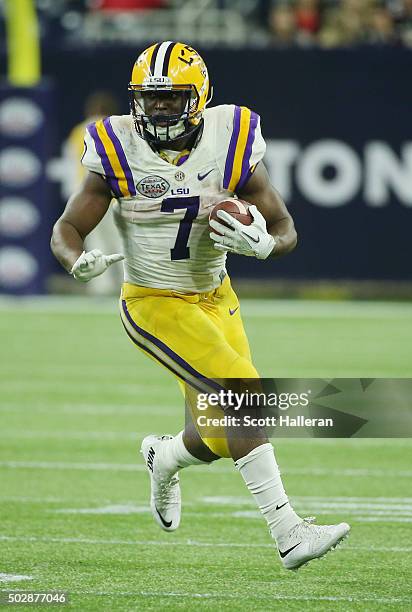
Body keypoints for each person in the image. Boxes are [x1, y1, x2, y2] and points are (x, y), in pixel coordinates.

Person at [50, 41, 349, 570]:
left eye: (172, 99)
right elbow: (67, 228)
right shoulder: (115, 146)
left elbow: (285, 228)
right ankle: (288, 532)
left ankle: (162, 456)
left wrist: (265, 245)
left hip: (216, 296)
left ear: (201, 96)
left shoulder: (229, 137)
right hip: (153, 302)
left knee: (216, 429)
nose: (159, 110)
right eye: (150, 99)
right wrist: (76, 260)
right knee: (245, 393)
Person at [64, 91, 123, 294]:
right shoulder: (115, 129)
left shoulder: (79, 131)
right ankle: (128, 283)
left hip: (86, 197)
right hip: (114, 195)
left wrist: (71, 195)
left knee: (96, 242)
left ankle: (101, 286)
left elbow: (71, 164)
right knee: (121, 240)